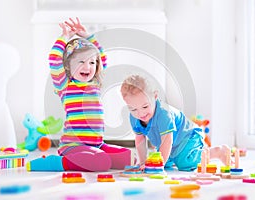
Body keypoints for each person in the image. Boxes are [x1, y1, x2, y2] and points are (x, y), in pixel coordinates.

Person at [27, 18, 131, 172]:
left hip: (96, 144)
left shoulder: (95, 83)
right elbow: (54, 59)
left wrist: (87, 36)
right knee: (101, 161)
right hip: (73, 146)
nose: (87, 67)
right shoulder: (65, 85)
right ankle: (57, 163)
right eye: (81, 62)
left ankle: (94, 157)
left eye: (91, 63)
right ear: (68, 66)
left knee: (127, 157)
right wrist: (64, 37)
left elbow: (102, 57)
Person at [120, 74, 232, 171]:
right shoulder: (134, 118)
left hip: (187, 137)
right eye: (133, 109)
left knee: (185, 163)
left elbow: (167, 141)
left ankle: (217, 151)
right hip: (168, 144)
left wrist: (159, 166)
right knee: (159, 160)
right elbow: (140, 139)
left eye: (145, 106)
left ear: (155, 97)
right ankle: (174, 157)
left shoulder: (164, 114)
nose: (140, 113)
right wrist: (142, 161)